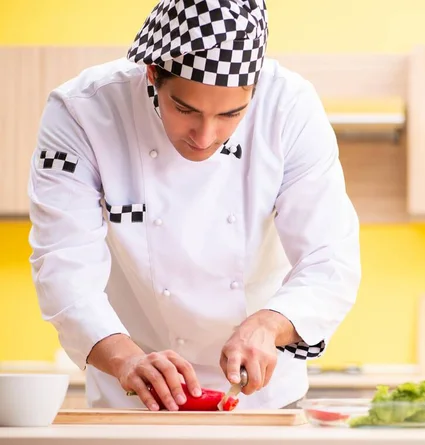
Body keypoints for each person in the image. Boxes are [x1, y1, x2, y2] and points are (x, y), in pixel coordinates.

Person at [27, 0, 361, 411]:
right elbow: (62, 263)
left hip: (262, 398)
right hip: (134, 392)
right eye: (185, 109)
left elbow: (330, 258)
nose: (205, 136)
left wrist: (269, 323)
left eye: (231, 114)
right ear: (151, 73)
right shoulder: (83, 111)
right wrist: (127, 359)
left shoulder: (289, 108)